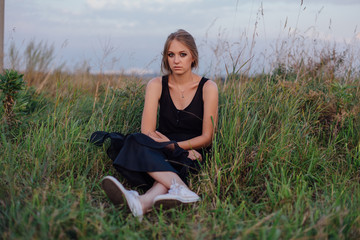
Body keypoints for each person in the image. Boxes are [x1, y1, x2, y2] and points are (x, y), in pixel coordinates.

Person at [100, 29, 218, 221]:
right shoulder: (156, 84)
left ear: (193, 57)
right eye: (171, 55)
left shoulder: (208, 87)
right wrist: (169, 147)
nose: (176, 60)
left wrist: (177, 147)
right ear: (165, 58)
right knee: (135, 140)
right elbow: (147, 132)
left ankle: (143, 201)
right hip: (160, 148)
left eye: (182, 54)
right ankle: (179, 188)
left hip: (193, 151)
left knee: (172, 160)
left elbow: (207, 137)